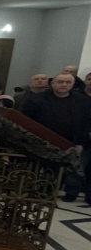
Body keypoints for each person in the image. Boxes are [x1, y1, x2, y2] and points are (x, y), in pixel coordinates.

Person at [21, 72, 91, 202]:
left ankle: (51, 193)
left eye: (68, 82)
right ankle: (31, 191)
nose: (64, 85)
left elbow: (85, 123)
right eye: (60, 82)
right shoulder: (37, 99)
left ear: (73, 84)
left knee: (61, 170)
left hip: (69, 143)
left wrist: (80, 142)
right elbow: (25, 119)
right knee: (37, 168)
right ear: (52, 83)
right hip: (40, 141)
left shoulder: (82, 101)